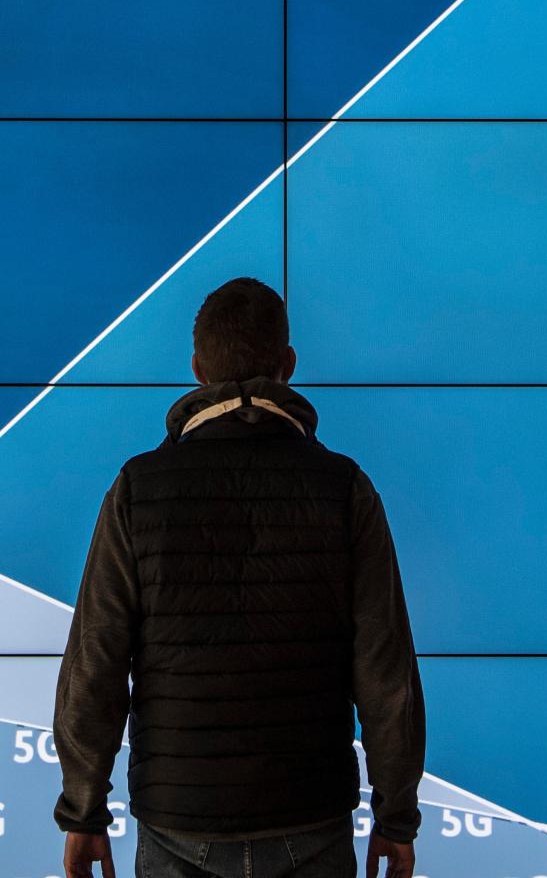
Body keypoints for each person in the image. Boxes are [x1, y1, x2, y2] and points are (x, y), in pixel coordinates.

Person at [52, 276, 427, 878]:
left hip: (179, 820)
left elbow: (95, 666)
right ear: (288, 366)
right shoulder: (344, 488)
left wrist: (83, 813)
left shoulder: (138, 488)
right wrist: (396, 818)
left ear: (198, 369)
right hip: (310, 817)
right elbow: (387, 674)